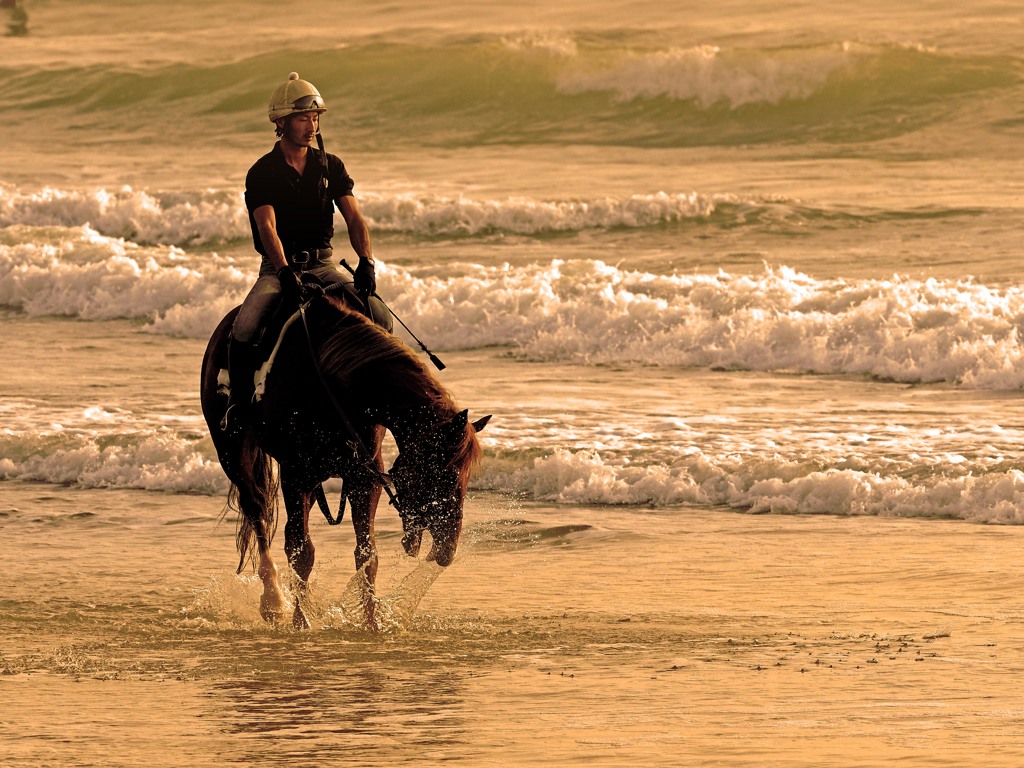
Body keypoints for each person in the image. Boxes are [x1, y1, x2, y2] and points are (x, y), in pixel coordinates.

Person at [221, 72, 377, 432]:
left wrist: (366, 261)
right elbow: (267, 228)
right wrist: (284, 271)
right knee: (245, 326)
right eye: (303, 118)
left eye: (315, 117)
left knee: (379, 316)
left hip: (324, 265)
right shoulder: (263, 172)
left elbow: (354, 217)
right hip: (278, 270)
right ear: (281, 123)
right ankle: (238, 404)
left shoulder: (331, 165)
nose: (312, 125)